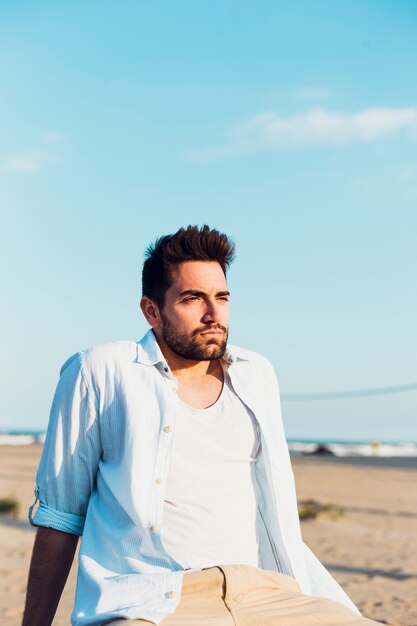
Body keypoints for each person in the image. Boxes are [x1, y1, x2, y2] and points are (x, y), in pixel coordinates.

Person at [23, 225, 381, 626]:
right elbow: (61, 514)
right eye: (193, 299)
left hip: (265, 592)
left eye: (222, 298)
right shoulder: (101, 371)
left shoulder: (257, 373)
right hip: (156, 600)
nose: (213, 314)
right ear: (152, 310)